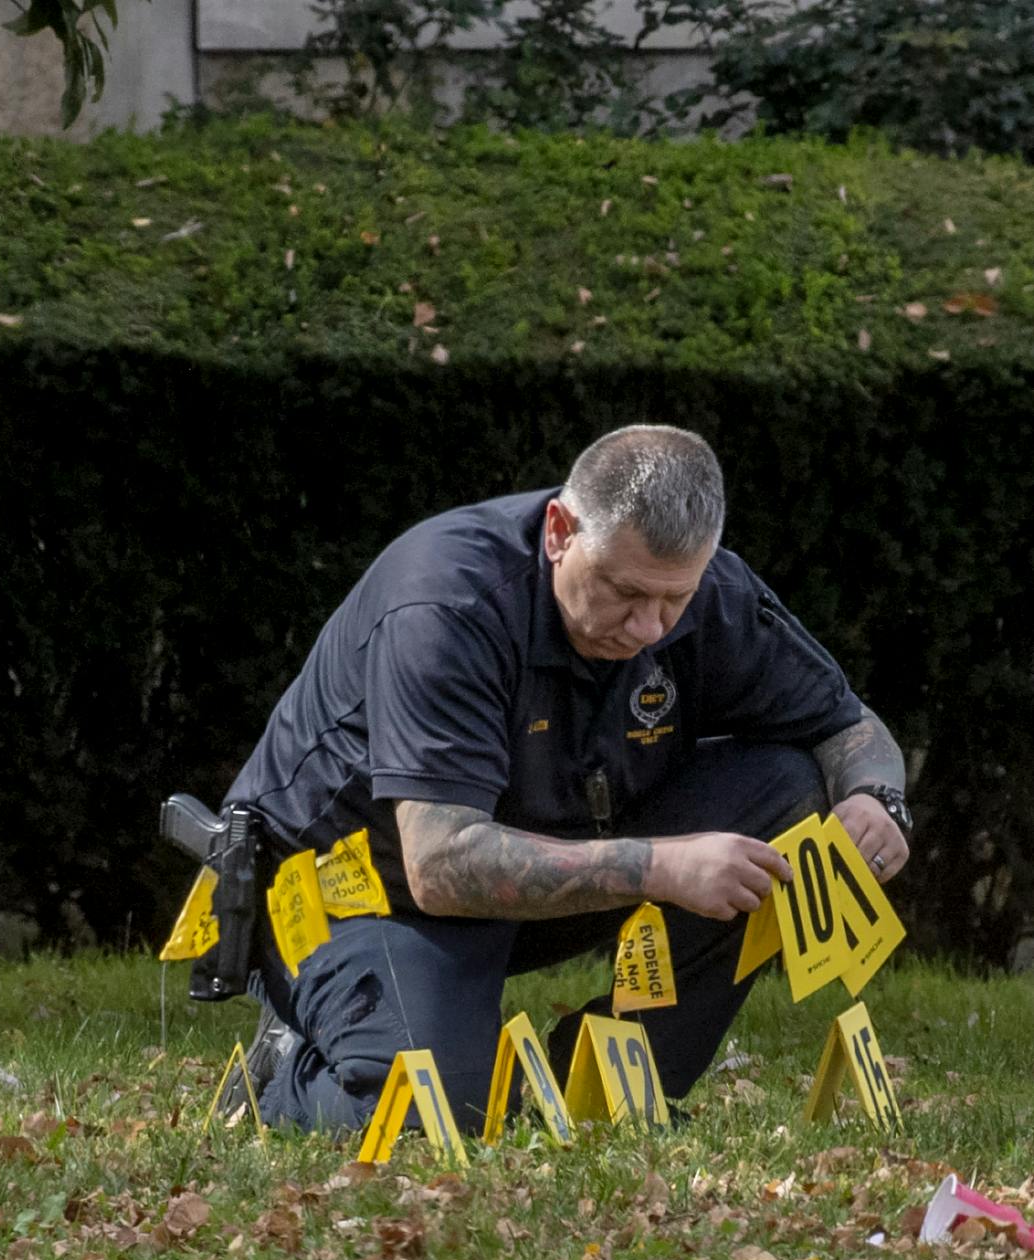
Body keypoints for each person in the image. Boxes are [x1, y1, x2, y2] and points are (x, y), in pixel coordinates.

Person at [221, 424, 909, 1134]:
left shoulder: (707, 594)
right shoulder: (446, 603)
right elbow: (440, 864)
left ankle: (604, 1079)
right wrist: (660, 866)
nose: (648, 626)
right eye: (625, 591)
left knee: (787, 786)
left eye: (675, 599)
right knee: (430, 1116)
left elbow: (847, 725)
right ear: (559, 530)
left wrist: (875, 798)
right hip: (364, 889)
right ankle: (285, 1067)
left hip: (547, 853)